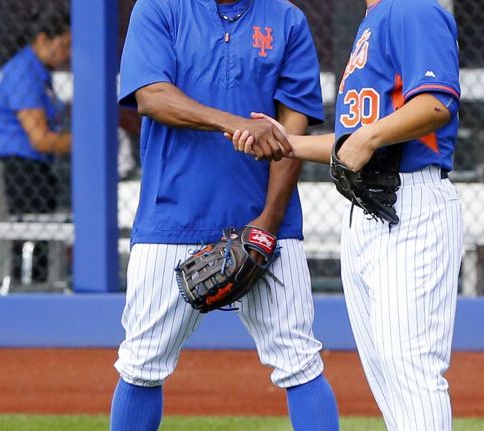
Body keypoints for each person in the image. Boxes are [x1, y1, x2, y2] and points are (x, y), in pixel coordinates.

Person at [230, 0, 463, 429]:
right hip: (367, 212)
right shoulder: (373, 21)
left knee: (409, 364)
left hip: (410, 202)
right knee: (386, 372)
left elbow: (435, 104)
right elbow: (350, 142)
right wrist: (287, 141)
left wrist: (370, 137)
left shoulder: (411, 10)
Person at [110, 1, 339, 430]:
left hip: (265, 222)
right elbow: (152, 97)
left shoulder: (286, 18)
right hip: (173, 219)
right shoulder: (160, 7)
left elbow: (293, 130)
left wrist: (269, 222)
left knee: (300, 361)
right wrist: (236, 124)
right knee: (142, 362)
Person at [0, 5, 72, 284]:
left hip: (38, 170)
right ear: (43, 40)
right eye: (64, 45)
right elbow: (40, 138)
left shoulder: (39, 72)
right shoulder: (25, 72)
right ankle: (28, 288)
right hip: (23, 170)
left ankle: (39, 284)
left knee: (43, 239)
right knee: (31, 239)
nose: (68, 54)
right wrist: (90, 144)